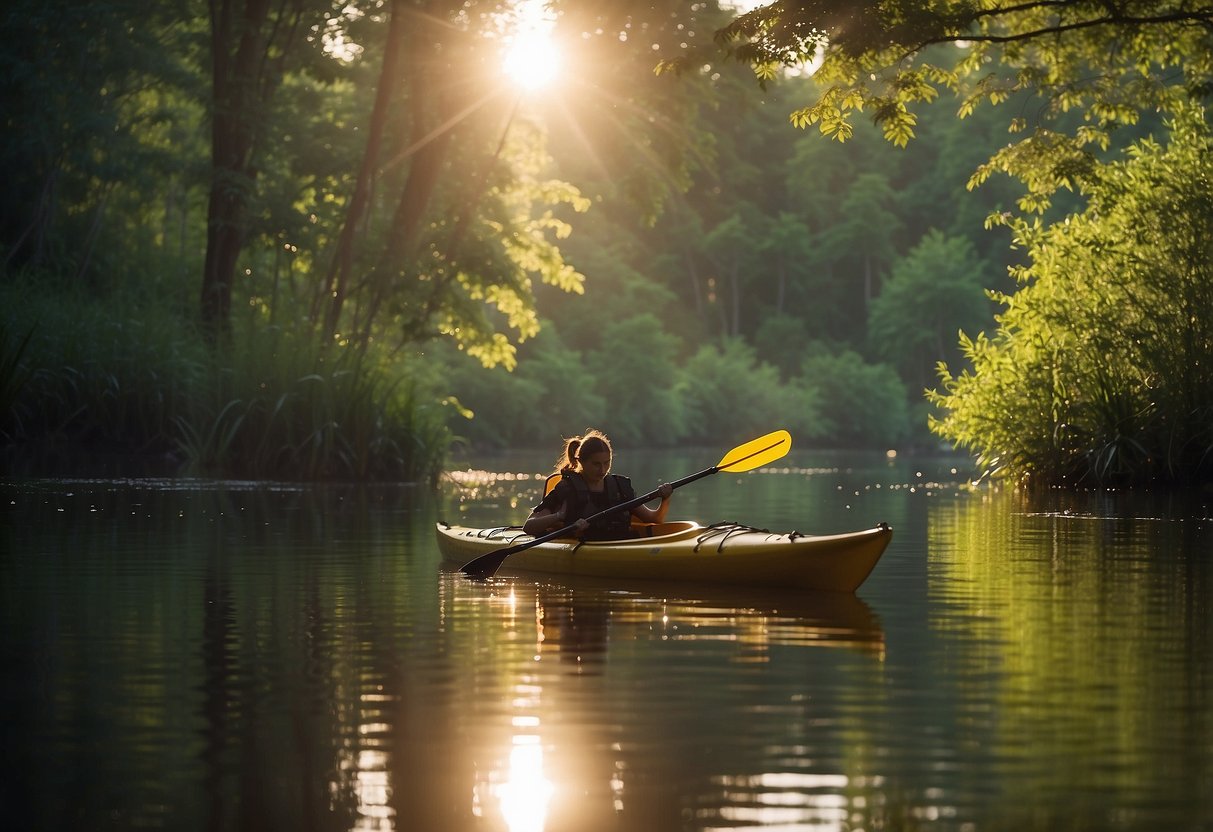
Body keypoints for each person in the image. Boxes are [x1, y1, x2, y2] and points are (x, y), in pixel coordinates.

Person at [522, 429, 673, 540]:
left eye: (606, 463)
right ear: (580, 461)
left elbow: (654, 519)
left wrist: (665, 499)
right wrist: (559, 516)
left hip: (620, 545)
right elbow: (529, 526)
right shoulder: (567, 489)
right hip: (584, 548)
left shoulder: (620, 488)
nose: (602, 470)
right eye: (596, 464)